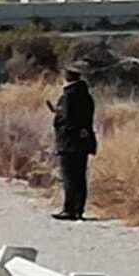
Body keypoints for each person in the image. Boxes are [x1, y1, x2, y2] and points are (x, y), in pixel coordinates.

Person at [48, 65, 97, 220]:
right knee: (80, 176)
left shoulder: (68, 97)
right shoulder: (86, 96)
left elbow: (67, 119)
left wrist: (58, 116)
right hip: (83, 142)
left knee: (69, 176)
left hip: (69, 143)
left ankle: (69, 209)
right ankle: (78, 209)